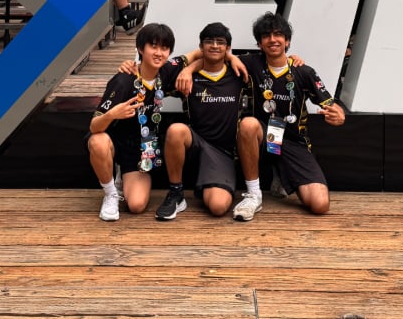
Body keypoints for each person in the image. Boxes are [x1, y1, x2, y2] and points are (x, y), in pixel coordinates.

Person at [235, 12, 346, 215]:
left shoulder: (303, 71)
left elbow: (330, 102)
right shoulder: (251, 64)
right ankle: (254, 195)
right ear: (259, 43)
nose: (272, 39)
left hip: (293, 141)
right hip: (263, 138)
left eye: (278, 34)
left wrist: (339, 114)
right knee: (248, 124)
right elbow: (215, 54)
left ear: (287, 41)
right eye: (266, 36)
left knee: (319, 205)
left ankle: (282, 173)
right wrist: (190, 70)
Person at [152, 22, 258, 221]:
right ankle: (176, 193)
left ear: (228, 49)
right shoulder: (186, 78)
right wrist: (189, 67)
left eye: (221, 43)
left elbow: (270, 62)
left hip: (222, 153)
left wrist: (295, 59)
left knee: (218, 207)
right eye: (209, 42)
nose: (215, 46)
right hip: (196, 145)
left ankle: (214, 184)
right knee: (176, 130)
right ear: (200, 47)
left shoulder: (239, 75)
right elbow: (157, 73)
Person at [88, 23, 187, 221]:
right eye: (153, 46)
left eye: (164, 48)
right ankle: (110, 194)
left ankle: (122, 177)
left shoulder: (165, 72)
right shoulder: (124, 80)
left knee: (136, 205)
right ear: (141, 49)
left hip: (141, 150)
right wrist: (112, 114)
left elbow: (196, 56)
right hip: (115, 143)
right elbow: (94, 126)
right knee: (97, 142)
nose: (159, 53)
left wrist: (188, 71)